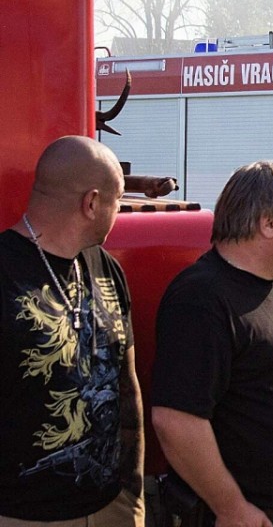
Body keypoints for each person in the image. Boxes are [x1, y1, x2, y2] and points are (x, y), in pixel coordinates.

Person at [152, 161, 273, 527]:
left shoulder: (267, 286)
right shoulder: (202, 297)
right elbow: (177, 421)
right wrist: (231, 507)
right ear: (268, 223)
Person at [0, 137, 142, 527]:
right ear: (92, 202)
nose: (120, 211)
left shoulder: (106, 268)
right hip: (21, 516)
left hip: (112, 507)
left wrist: (133, 492)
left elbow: (126, 384)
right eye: (118, 200)